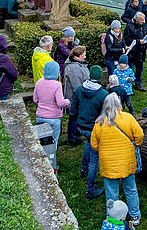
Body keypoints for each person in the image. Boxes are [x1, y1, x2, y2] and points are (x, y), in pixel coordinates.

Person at [91, 93, 144, 226]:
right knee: (130, 189)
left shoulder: (99, 122)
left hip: (108, 164)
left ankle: (112, 217)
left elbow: (94, 144)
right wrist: (136, 144)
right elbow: (139, 135)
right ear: (119, 104)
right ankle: (135, 215)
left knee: (111, 192)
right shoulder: (128, 118)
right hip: (127, 161)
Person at [68, 64, 108, 199]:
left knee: (88, 143)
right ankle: (90, 190)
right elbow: (104, 115)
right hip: (94, 129)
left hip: (81, 126)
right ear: (100, 77)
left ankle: (83, 169)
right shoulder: (103, 94)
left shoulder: (79, 89)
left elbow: (73, 109)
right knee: (94, 160)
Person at [33, 61, 70, 173]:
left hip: (40, 116)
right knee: (53, 142)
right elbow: (60, 102)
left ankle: (41, 162)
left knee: (42, 141)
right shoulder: (57, 85)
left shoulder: (39, 82)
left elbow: (35, 99)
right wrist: (68, 102)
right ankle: (52, 165)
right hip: (53, 118)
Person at [64, 47, 90, 146]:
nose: (85, 57)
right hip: (74, 97)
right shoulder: (73, 68)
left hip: (77, 96)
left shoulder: (77, 65)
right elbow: (77, 86)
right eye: (83, 55)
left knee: (76, 116)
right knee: (73, 116)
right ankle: (72, 139)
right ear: (76, 56)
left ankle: (76, 132)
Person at [123, 11, 147, 91]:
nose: (143, 21)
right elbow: (126, 39)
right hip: (133, 52)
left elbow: (146, 33)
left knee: (139, 69)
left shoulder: (144, 26)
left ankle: (138, 84)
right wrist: (138, 41)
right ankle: (128, 85)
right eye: (141, 20)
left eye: (143, 20)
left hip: (141, 51)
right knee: (130, 70)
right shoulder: (129, 26)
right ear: (136, 19)